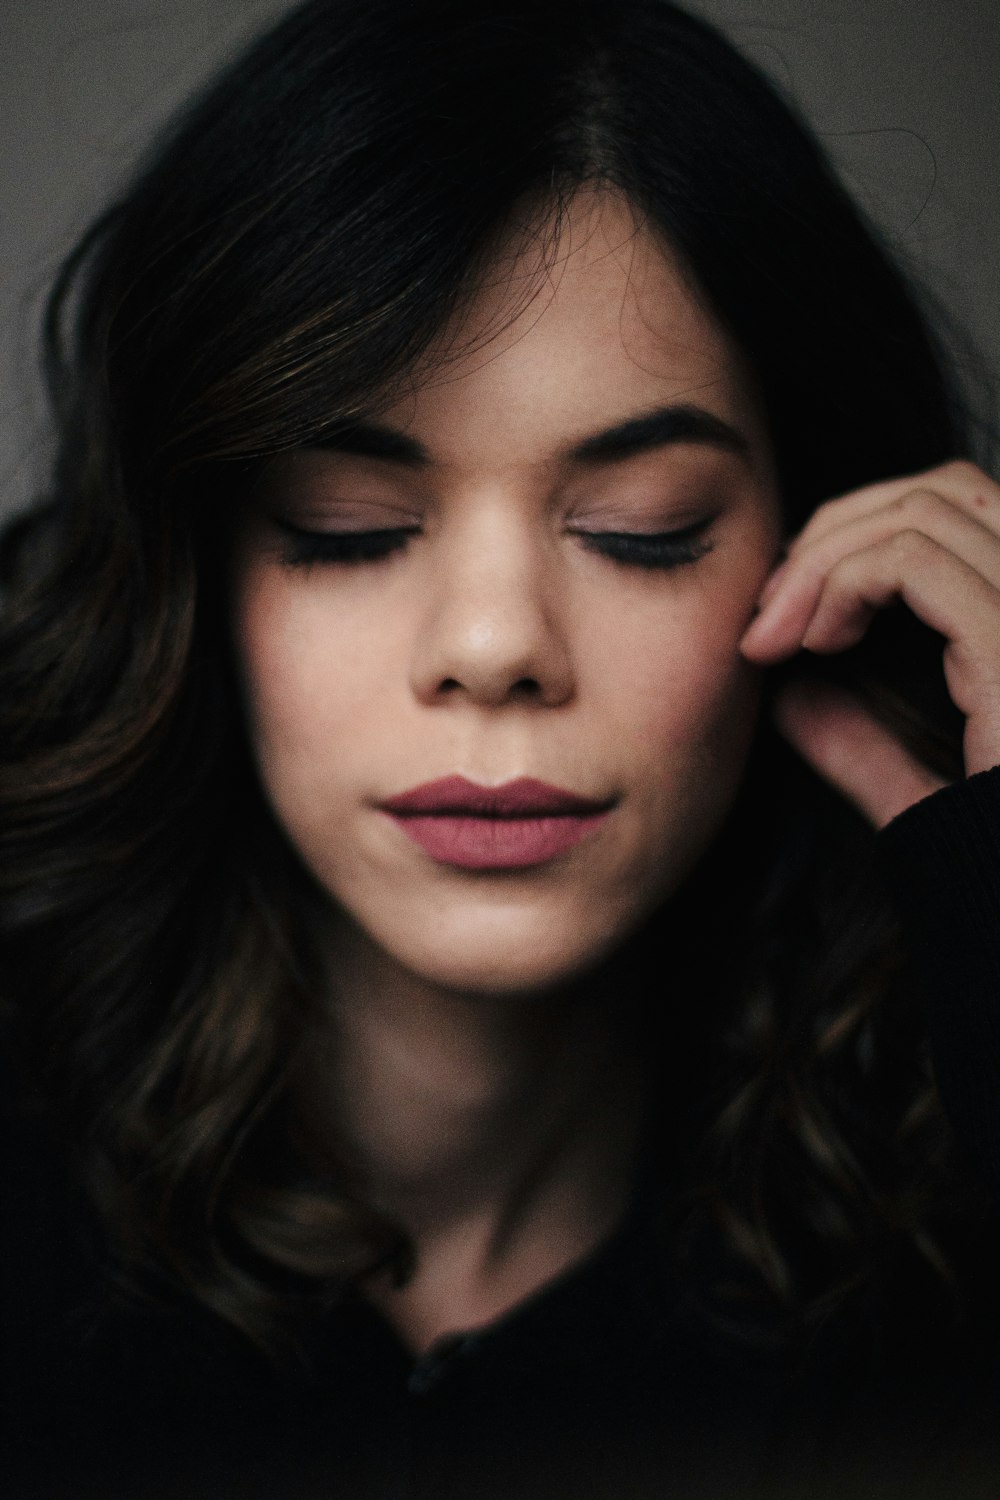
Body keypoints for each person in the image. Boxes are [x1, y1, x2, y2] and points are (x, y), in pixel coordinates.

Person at [3, 1, 1000, 1495]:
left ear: (820, 555)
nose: (492, 645)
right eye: (349, 530)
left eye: (638, 531)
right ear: (192, 579)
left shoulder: (930, 1244)